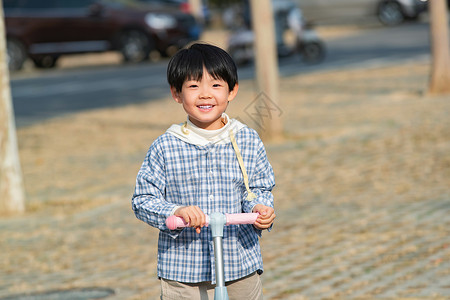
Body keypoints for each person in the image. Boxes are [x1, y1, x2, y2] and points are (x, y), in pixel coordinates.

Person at [131, 42, 276, 300]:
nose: (205, 94)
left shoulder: (247, 140)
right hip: (184, 270)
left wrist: (259, 209)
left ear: (232, 91)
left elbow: (258, 189)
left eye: (216, 85)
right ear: (177, 93)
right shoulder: (166, 145)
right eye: (194, 86)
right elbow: (143, 200)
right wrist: (175, 211)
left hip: (239, 262)